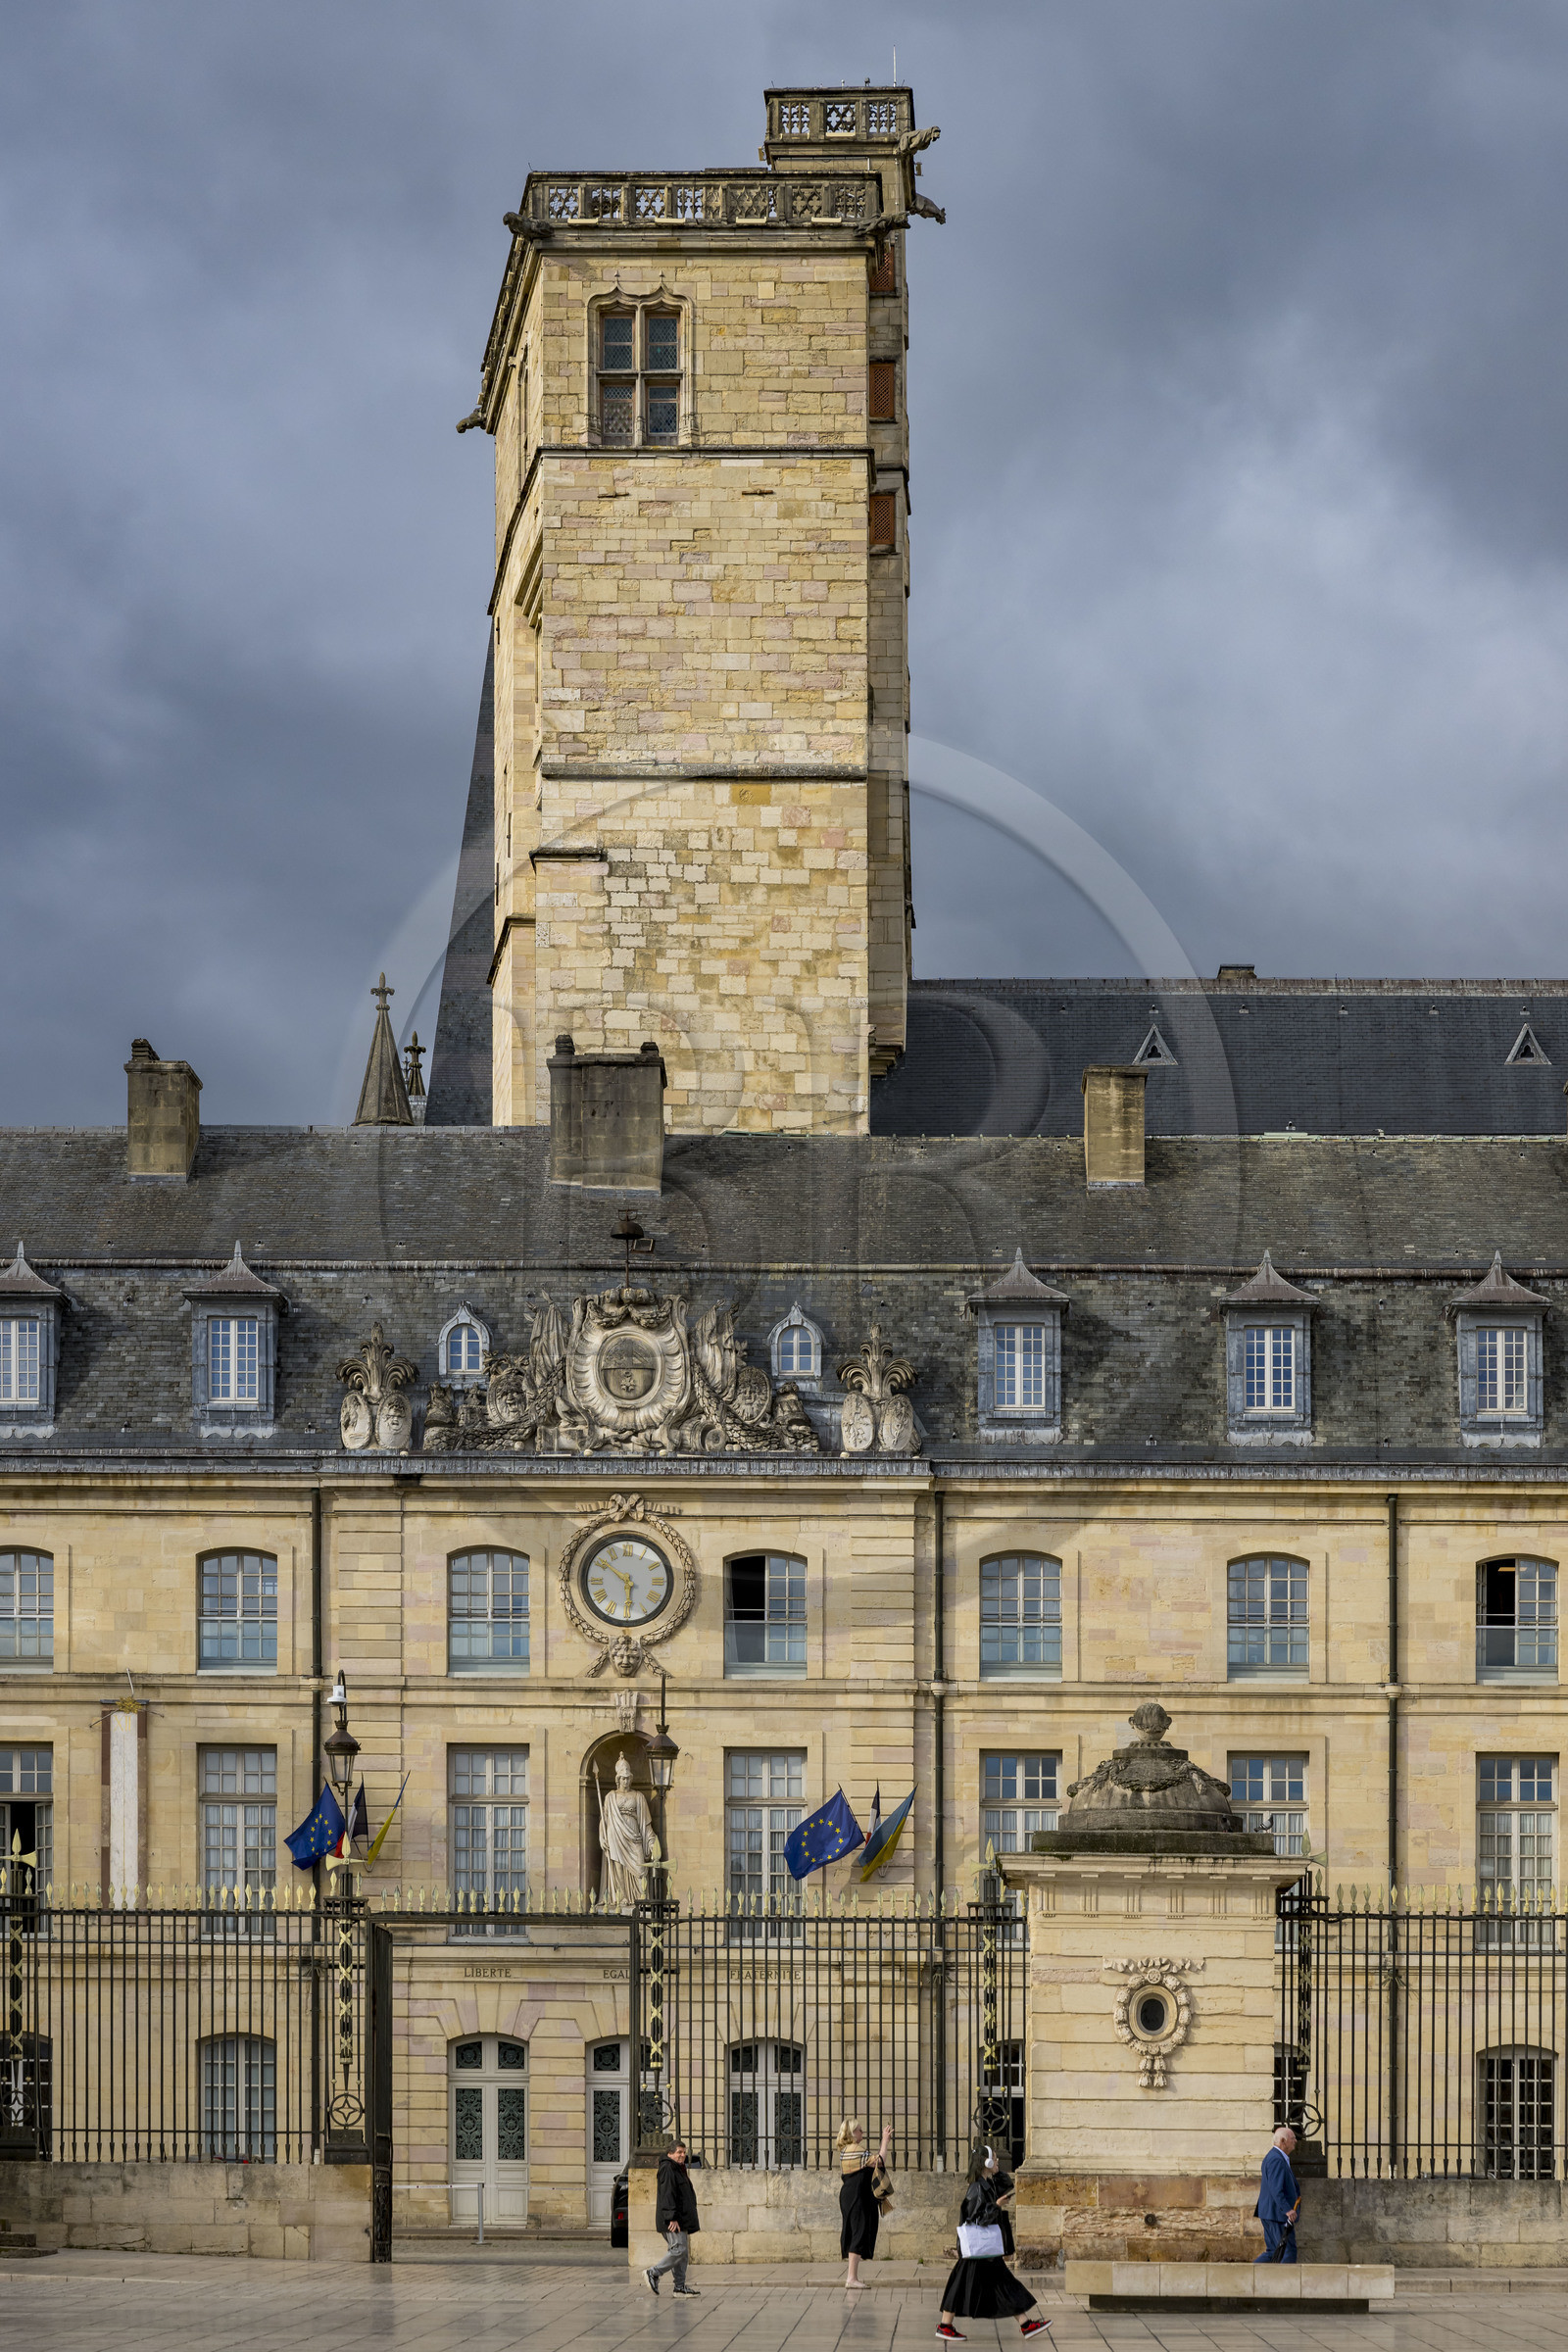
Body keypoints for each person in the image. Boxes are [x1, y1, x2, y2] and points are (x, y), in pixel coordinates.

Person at [936, 2144, 1051, 2343]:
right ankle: (945, 2326)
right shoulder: (977, 2188)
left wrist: (995, 2172)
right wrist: (996, 2206)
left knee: (1000, 2283)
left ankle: (1025, 2325)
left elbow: (1006, 2184)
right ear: (985, 2163)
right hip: (979, 2248)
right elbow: (977, 2218)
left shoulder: (986, 2184)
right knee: (965, 2283)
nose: (998, 2162)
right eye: (994, 2159)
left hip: (984, 2251)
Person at [597, 1752, 657, 1910]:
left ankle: (641, 1897)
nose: (626, 1781)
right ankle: (622, 1896)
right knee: (618, 1865)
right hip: (615, 1832)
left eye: (628, 1778)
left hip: (633, 1832)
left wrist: (651, 1841)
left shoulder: (638, 1796)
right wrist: (601, 1836)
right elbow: (604, 1818)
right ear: (618, 1779)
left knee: (640, 1867)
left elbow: (645, 1822)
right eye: (623, 1778)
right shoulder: (610, 1796)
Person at [837, 2117, 893, 2286]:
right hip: (856, 2196)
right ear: (853, 2133)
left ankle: (852, 2277)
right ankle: (851, 2278)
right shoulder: (855, 2150)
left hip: (851, 2195)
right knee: (858, 2232)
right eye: (860, 2130)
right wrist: (885, 2140)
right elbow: (880, 2162)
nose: (863, 2132)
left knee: (856, 2230)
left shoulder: (846, 2150)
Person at [644, 2140, 701, 2297]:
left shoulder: (677, 2168)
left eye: (684, 2152)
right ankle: (653, 2273)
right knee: (678, 2250)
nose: (683, 2155)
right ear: (670, 2154)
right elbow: (668, 2194)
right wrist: (671, 2217)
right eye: (679, 2152)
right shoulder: (668, 2168)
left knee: (682, 2254)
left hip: (680, 2218)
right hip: (673, 2219)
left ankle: (680, 2287)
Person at [1254, 2125, 1301, 2264]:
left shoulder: (1276, 2157)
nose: (1295, 2141)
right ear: (1283, 2141)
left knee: (1273, 2251)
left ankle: (1249, 2275)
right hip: (1277, 2215)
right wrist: (1287, 2209)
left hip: (1272, 2213)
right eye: (1292, 2138)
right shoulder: (1276, 2159)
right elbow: (1276, 2189)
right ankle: (1285, 2284)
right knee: (1288, 2251)